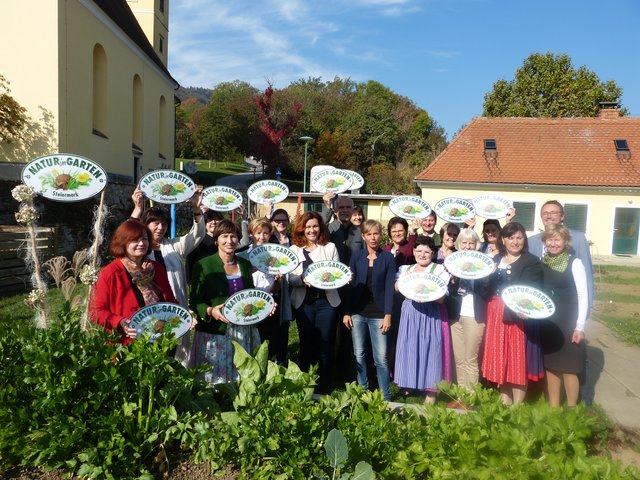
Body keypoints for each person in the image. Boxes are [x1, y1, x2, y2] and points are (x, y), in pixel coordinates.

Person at [131, 186, 205, 365]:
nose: (160, 227)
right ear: (145, 224)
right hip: (147, 311)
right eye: (155, 223)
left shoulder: (174, 247)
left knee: (177, 352)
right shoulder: (138, 250)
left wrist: (196, 208)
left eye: (163, 224)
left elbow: (197, 235)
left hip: (173, 307)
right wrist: (137, 209)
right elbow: (126, 236)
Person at [189, 220, 260, 386]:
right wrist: (210, 310)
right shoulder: (203, 265)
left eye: (233, 236)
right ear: (216, 240)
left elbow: (250, 296)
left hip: (243, 329)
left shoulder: (245, 264)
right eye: (225, 236)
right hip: (215, 331)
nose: (229, 241)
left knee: (241, 376)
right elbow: (195, 301)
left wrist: (263, 306)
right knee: (213, 379)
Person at [480, 222, 544, 405]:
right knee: (500, 354)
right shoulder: (496, 258)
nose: (515, 241)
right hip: (495, 312)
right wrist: (488, 275)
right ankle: (504, 399)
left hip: (517, 314)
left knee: (516, 356)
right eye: (511, 237)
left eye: (519, 237)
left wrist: (525, 309)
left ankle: (517, 404)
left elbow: (533, 290)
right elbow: (486, 290)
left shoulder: (531, 261)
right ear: (503, 239)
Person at [91, 219, 178, 345]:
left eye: (144, 239)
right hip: (126, 343)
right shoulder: (109, 274)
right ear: (123, 242)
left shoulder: (156, 268)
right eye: (135, 240)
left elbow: (170, 299)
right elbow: (96, 312)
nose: (141, 243)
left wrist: (183, 315)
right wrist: (119, 322)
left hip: (160, 338)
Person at [289, 211, 342, 394]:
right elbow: (290, 279)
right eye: (308, 227)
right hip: (305, 304)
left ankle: (324, 386)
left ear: (321, 227)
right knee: (307, 344)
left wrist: (340, 277)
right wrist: (302, 279)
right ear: (302, 229)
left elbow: (336, 273)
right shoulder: (294, 250)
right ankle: (306, 385)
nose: (312, 230)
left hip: (327, 303)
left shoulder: (330, 247)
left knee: (325, 344)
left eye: (315, 226)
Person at [342, 220, 395, 401]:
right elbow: (350, 286)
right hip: (358, 312)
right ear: (363, 236)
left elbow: (389, 288)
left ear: (381, 235)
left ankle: (385, 397)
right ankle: (363, 392)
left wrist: (388, 315)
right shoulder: (356, 257)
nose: (373, 237)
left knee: (380, 358)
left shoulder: (387, 258)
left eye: (376, 233)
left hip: (378, 314)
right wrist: (347, 311)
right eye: (369, 234)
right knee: (359, 354)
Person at [394, 236, 450, 404]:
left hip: (431, 312)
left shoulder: (439, 270)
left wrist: (426, 295)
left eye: (426, 251)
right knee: (409, 347)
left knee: (431, 348)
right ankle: (409, 382)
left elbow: (441, 297)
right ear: (413, 252)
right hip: (410, 311)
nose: (422, 254)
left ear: (433, 253)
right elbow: (397, 287)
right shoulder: (406, 269)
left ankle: (431, 391)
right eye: (418, 251)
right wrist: (405, 286)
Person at [540, 225, 588, 407]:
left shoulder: (574, 263)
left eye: (557, 240)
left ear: (565, 242)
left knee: (570, 367)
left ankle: (572, 409)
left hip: (568, 319)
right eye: (549, 240)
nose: (553, 244)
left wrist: (580, 326)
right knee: (551, 366)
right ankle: (553, 408)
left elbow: (583, 295)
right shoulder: (542, 261)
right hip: (549, 321)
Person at [238, 217, 289, 364]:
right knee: (249, 342)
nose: (261, 237)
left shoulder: (276, 256)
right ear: (251, 234)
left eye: (265, 233)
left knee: (268, 342)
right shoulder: (241, 255)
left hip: (269, 304)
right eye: (258, 233)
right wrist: (249, 270)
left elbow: (274, 289)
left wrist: (279, 281)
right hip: (247, 304)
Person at [528, 200, 594, 310]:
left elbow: (587, 272)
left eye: (553, 212)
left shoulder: (578, 239)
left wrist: (587, 306)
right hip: (540, 304)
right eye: (545, 213)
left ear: (562, 216)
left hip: (568, 304)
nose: (549, 216)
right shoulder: (531, 242)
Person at [446, 229, 488, 391]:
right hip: (456, 315)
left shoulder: (483, 264)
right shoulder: (453, 262)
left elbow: (486, 292)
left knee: (471, 358)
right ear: (459, 244)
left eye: (471, 243)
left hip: (474, 316)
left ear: (476, 245)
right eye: (464, 242)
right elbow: (450, 290)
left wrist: (486, 276)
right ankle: (461, 395)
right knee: (459, 358)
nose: (468, 246)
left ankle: (470, 396)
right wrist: (453, 278)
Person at [186, 210, 224, 276]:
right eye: (209, 220)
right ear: (205, 223)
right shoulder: (198, 243)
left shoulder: (227, 241)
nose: (213, 222)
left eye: (217, 219)